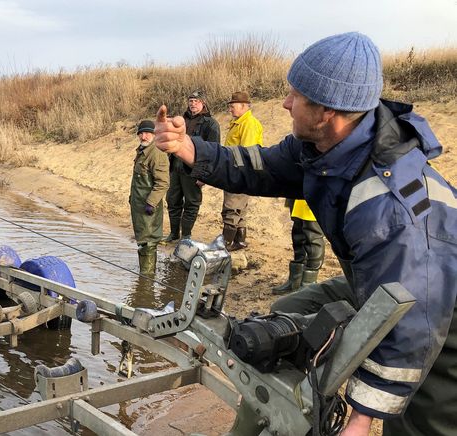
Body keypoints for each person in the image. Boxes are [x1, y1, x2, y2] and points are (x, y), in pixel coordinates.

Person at [154, 32, 457, 436]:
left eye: (295, 95)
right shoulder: (324, 148)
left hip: (440, 308)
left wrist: (361, 418)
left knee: (419, 420)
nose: (285, 103)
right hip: (382, 280)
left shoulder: (390, 207)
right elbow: (262, 165)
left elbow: (415, 317)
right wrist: (191, 149)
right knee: (289, 316)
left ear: (327, 110)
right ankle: (288, 415)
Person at [164, 91, 220, 242]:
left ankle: (186, 236)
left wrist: (204, 175)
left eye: (196, 101)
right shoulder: (181, 120)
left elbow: (214, 151)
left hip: (194, 170)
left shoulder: (211, 124)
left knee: (192, 202)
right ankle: (174, 234)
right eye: (191, 100)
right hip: (176, 167)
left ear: (203, 103)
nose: (193, 103)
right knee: (172, 200)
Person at [221, 91, 263, 251]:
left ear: (244, 106)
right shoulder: (239, 123)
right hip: (237, 172)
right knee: (239, 209)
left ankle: (225, 244)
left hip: (239, 173)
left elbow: (247, 152)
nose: (230, 109)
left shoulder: (248, 124)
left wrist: (238, 175)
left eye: (232, 106)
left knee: (232, 208)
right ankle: (239, 241)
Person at [129, 120, 169, 276]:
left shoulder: (157, 153)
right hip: (138, 205)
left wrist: (151, 203)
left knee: (149, 242)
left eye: (147, 133)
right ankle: (145, 275)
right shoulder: (141, 151)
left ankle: (147, 279)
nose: (143, 136)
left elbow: (163, 183)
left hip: (149, 207)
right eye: (141, 133)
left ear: (154, 135)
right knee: (142, 240)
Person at [272, 199, 325, 294]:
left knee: (312, 235)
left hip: (313, 191)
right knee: (298, 234)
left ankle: (308, 284)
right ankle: (295, 281)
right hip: (298, 193)